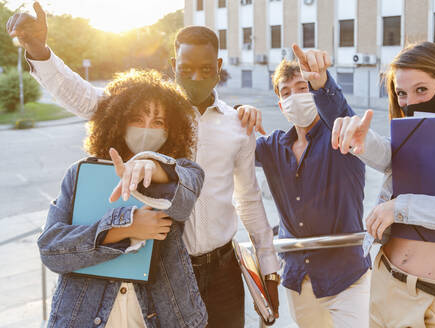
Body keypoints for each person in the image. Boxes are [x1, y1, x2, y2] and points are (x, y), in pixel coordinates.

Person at [7, 3, 280, 326]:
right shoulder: (154, 112)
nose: (195, 77)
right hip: (166, 272)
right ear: (173, 64)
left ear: (218, 66)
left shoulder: (238, 124)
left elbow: (247, 197)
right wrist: (40, 51)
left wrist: (268, 263)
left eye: (206, 69)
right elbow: (82, 96)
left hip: (222, 269)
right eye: (186, 68)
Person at [332, 41, 435, 327]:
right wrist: (360, 140)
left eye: (421, 90)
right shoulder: (409, 136)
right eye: (401, 94)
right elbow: (386, 152)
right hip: (387, 283)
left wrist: (402, 207)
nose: (411, 102)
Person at [37, 69, 207, 328]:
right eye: (138, 119)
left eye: (159, 122)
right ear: (118, 121)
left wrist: (151, 166)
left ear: (172, 129)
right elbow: (51, 250)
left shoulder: (183, 173)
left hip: (161, 316)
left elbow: (184, 197)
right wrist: (124, 229)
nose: (148, 129)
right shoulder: (81, 173)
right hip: (84, 316)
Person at [238, 44, 371, 327]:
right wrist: (238, 112)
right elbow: (234, 147)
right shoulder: (273, 146)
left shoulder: (341, 136)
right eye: (286, 93)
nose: (295, 97)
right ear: (280, 105)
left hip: (347, 277)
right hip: (299, 278)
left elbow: (339, 111)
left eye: (302, 88)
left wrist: (321, 83)